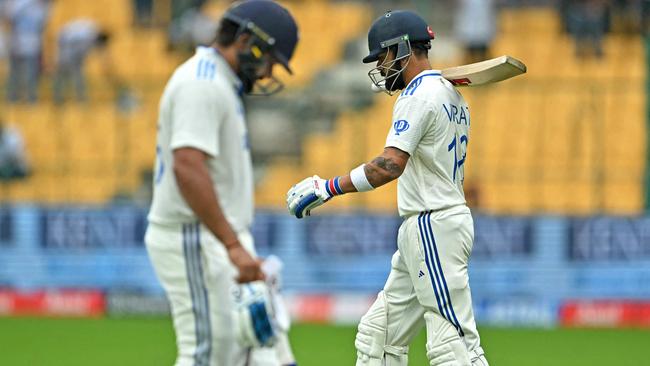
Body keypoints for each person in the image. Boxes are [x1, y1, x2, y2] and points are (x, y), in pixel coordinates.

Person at [287, 10, 489, 366]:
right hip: (426, 226)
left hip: (433, 224)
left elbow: (390, 165)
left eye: (382, 57)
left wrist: (328, 187)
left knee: (453, 345)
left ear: (401, 49)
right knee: (378, 336)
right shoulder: (450, 93)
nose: (380, 68)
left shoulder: (419, 94)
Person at [144, 1, 298, 365]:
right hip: (196, 235)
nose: (267, 72)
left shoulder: (217, 82)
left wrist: (236, 241)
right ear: (247, 41)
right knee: (209, 354)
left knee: (260, 350)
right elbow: (187, 166)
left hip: (214, 235)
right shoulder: (203, 82)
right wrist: (232, 244)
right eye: (270, 59)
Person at [53, 18, 110, 104]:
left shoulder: (93, 36)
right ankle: (58, 98)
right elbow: (67, 39)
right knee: (62, 74)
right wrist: (65, 56)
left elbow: (94, 51)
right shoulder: (88, 32)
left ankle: (81, 98)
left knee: (79, 76)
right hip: (66, 46)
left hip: (75, 52)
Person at [4, 0, 50, 103]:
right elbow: (9, 18)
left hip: (32, 46)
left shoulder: (41, 9)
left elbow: (41, 29)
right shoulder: (22, 3)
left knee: (31, 76)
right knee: (15, 75)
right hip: (17, 43)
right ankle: (12, 100)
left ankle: (31, 101)